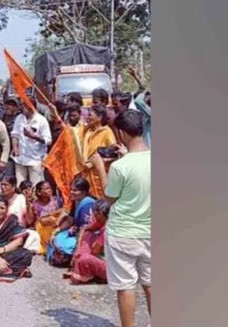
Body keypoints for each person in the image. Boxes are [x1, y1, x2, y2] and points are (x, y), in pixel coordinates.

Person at [89, 110, 151, 327]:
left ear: (121, 133)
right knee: (151, 283)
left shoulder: (120, 166)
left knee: (126, 286)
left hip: (123, 233)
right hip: (151, 232)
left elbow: (109, 196)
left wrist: (100, 168)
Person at [47, 177, 96, 267]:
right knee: (54, 238)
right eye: (71, 189)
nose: (71, 192)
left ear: (84, 192)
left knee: (61, 245)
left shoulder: (87, 203)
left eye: (75, 190)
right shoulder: (76, 200)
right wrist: (57, 230)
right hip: (77, 231)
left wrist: (77, 249)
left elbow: (84, 229)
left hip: (88, 234)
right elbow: (70, 220)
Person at [64, 199, 109, 285]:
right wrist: (78, 250)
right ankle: (79, 267)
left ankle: (84, 273)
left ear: (99, 213)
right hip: (103, 256)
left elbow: (95, 249)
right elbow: (85, 229)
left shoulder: (108, 228)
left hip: (112, 267)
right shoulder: (102, 221)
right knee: (88, 236)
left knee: (85, 258)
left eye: (94, 212)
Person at [11, 100, 52, 186]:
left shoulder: (41, 120)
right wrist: (15, 148)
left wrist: (33, 136)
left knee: (35, 186)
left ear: (31, 106)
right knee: (20, 186)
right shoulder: (19, 118)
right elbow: (15, 134)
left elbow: (48, 140)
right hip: (20, 159)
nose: (22, 107)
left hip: (35, 160)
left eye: (24, 105)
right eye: (22, 105)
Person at [81, 105, 117, 199]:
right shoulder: (88, 132)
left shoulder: (107, 132)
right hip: (86, 175)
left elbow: (114, 154)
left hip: (99, 176)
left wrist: (95, 163)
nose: (87, 117)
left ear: (100, 117)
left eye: (90, 115)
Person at [0, 176, 41, 253]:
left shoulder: (20, 198)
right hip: (2, 231)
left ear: (13, 187)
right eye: (2, 184)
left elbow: (29, 221)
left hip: (18, 231)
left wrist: (28, 203)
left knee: (34, 235)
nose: (3, 187)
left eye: (5, 185)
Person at [31, 181, 64, 256]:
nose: (50, 190)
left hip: (55, 224)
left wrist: (49, 214)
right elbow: (38, 219)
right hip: (44, 227)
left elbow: (64, 210)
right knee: (41, 223)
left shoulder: (56, 200)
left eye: (50, 188)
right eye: (46, 188)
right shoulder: (36, 203)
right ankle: (48, 246)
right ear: (39, 192)